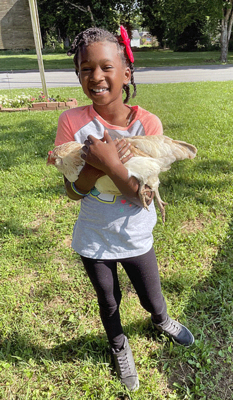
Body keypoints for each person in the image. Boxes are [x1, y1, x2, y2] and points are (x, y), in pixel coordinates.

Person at [54, 26, 194, 391]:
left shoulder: (146, 124)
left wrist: (109, 164)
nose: (96, 77)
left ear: (127, 72)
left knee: (151, 295)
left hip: (135, 234)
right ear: (79, 75)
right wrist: (94, 166)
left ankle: (161, 319)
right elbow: (73, 192)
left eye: (106, 67)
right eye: (86, 69)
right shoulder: (71, 123)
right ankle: (118, 346)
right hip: (94, 235)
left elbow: (141, 197)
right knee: (108, 299)